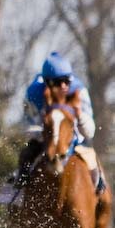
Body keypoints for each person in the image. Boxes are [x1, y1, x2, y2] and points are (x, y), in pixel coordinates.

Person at [17, 51, 96, 185]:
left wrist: (79, 115)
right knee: (25, 156)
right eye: (58, 82)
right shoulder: (34, 94)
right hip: (44, 142)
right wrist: (47, 133)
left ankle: (102, 200)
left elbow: (90, 132)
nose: (64, 86)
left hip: (76, 142)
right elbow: (26, 127)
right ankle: (16, 191)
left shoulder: (79, 92)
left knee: (96, 171)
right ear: (47, 82)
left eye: (66, 80)